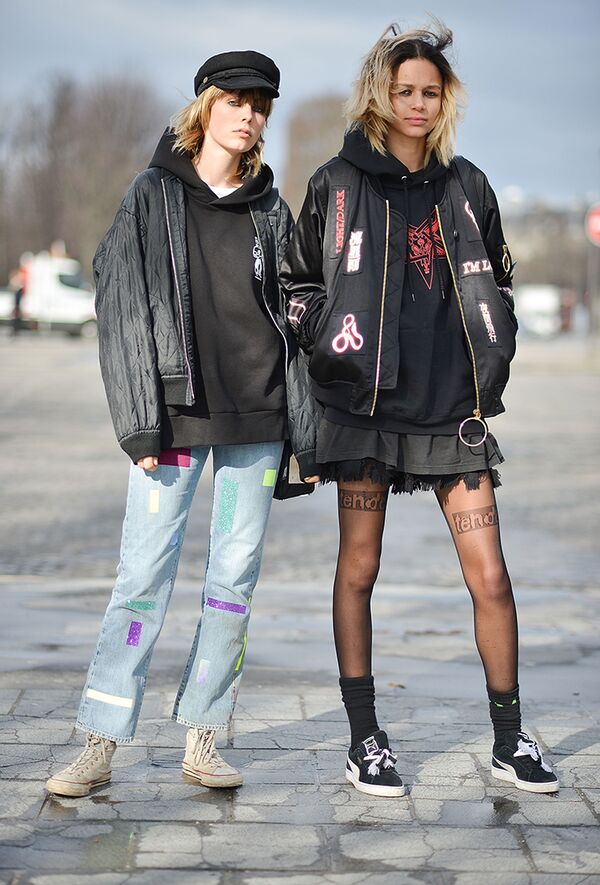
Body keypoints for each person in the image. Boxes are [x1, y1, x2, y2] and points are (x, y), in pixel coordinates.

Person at [280, 22, 559, 797]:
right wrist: (326, 337)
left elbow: (499, 281)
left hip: (450, 414)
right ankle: (364, 738)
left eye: (430, 92)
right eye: (404, 90)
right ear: (380, 94)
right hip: (363, 409)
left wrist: (498, 339)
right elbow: (296, 287)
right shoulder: (337, 184)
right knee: (360, 566)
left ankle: (509, 737)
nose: (417, 104)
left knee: (490, 575)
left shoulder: (469, 186)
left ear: (445, 100)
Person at [46, 50, 313, 798]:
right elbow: (122, 304)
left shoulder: (271, 207)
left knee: (234, 580)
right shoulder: (151, 195)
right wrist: (138, 422)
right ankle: (99, 741)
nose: (248, 114)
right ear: (204, 107)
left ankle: (204, 734)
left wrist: (308, 427)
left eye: (260, 104)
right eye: (235, 100)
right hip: (173, 418)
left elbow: (298, 309)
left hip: (257, 417)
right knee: (142, 576)